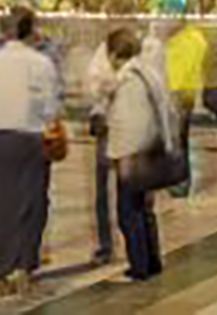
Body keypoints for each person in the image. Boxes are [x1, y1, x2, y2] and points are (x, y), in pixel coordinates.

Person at [0, 6, 63, 296]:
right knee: (32, 203)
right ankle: (25, 266)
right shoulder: (40, 63)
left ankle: (0, 271)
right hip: (31, 139)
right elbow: (50, 106)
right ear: (31, 30)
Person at [106, 27, 181, 282]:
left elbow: (130, 123)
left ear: (116, 54)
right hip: (151, 150)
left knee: (129, 211)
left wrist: (121, 156)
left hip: (133, 154)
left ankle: (138, 266)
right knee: (145, 209)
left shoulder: (129, 81)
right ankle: (152, 260)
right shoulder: (150, 73)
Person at [163, 9, 212, 197]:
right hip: (185, 93)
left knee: (176, 140)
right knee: (178, 139)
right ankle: (178, 180)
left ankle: (179, 183)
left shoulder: (185, 41)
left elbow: (177, 71)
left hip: (178, 93)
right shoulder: (192, 38)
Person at [84, 31, 122, 265]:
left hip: (127, 126)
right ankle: (107, 244)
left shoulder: (146, 50)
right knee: (104, 189)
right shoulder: (103, 51)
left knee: (128, 189)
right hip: (108, 126)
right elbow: (92, 86)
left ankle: (135, 242)